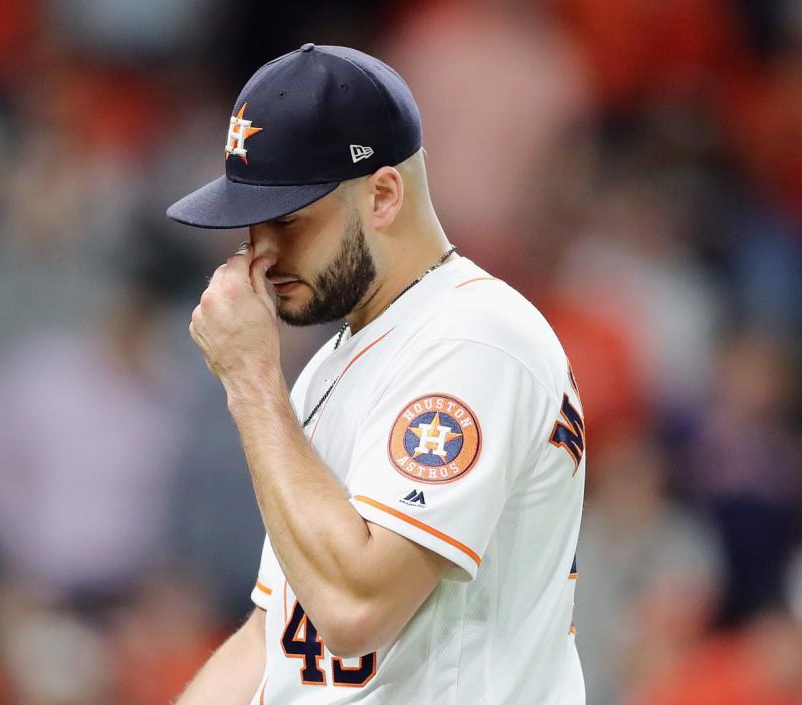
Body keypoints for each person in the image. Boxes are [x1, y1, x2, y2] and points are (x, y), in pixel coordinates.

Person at [167, 44, 587, 704]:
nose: (260, 252)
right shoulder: (334, 366)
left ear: (384, 195)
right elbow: (271, 636)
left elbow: (354, 608)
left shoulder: (474, 339)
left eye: (288, 220)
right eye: (250, 223)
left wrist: (249, 379)